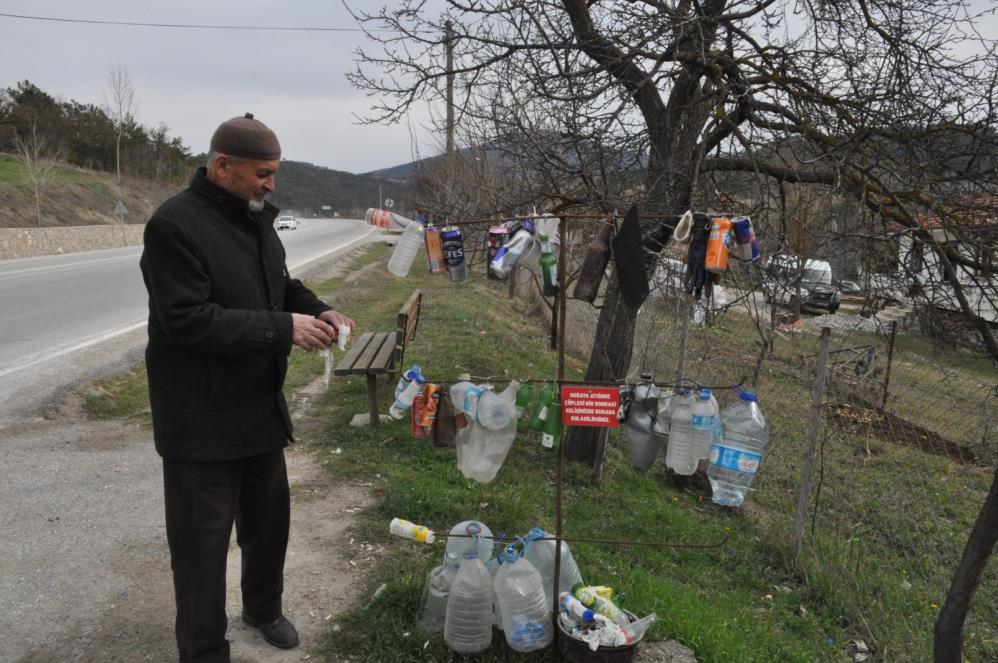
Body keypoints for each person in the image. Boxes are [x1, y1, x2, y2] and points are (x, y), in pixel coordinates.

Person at [140, 112, 354, 663]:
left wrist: (317, 309)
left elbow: (279, 286)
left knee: (268, 526)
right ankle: (205, 649)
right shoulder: (174, 226)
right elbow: (187, 319)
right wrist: (282, 329)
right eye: (262, 173)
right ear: (222, 166)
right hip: (200, 421)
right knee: (201, 550)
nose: (271, 184)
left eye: (275, 173)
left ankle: (263, 609)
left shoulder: (256, 219)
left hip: (258, 409)